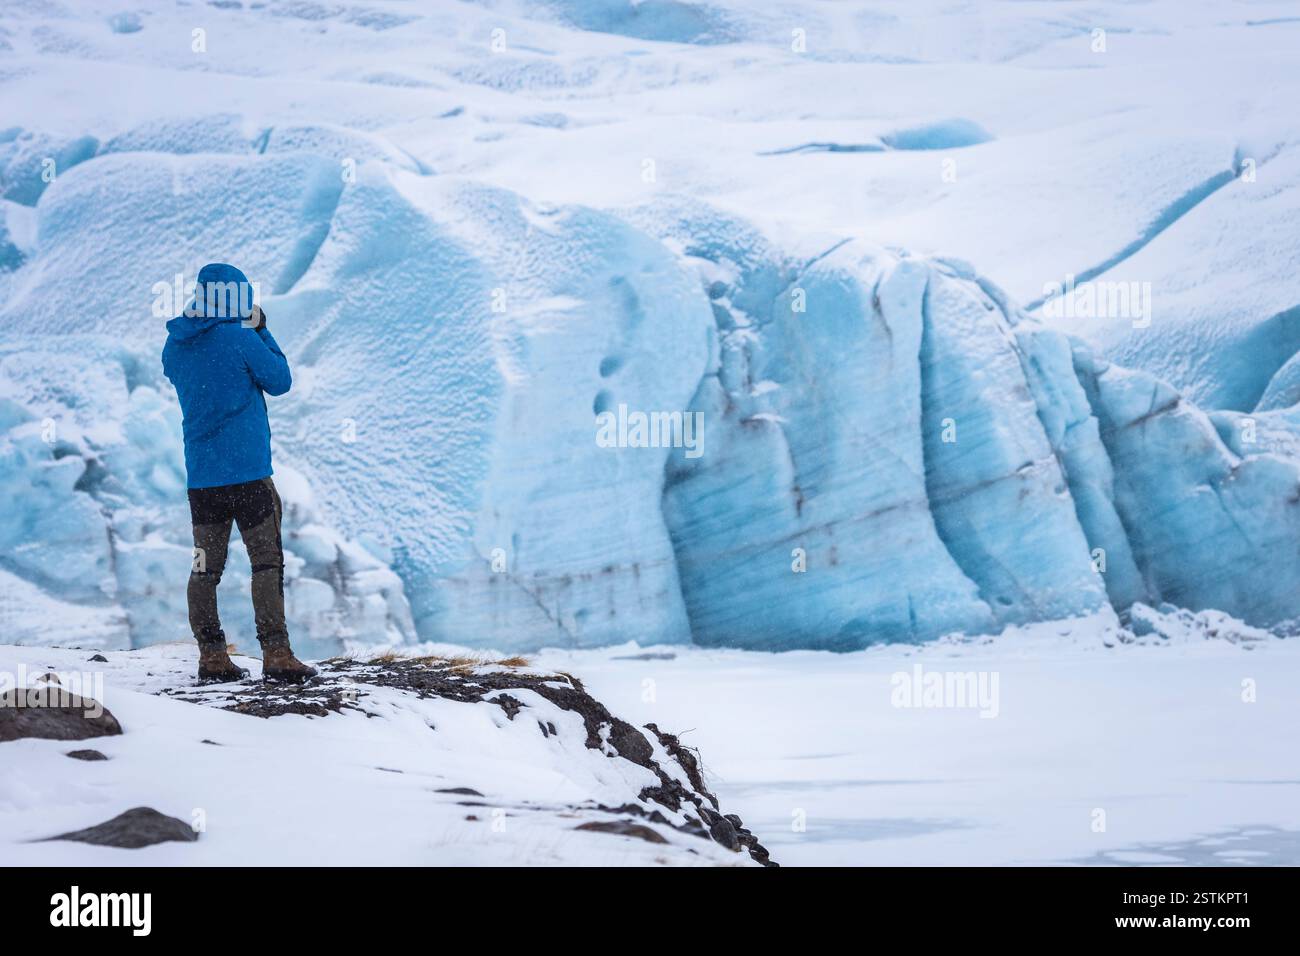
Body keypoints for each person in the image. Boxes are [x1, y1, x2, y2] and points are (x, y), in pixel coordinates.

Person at [161, 262, 317, 683]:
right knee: (266, 563)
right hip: (249, 475)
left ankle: (212, 656)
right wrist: (260, 329)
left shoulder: (174, 345)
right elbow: (280, 380)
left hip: (203, 481)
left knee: (203, 568)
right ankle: (277, 654)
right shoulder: (240, 337)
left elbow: (185, 373)